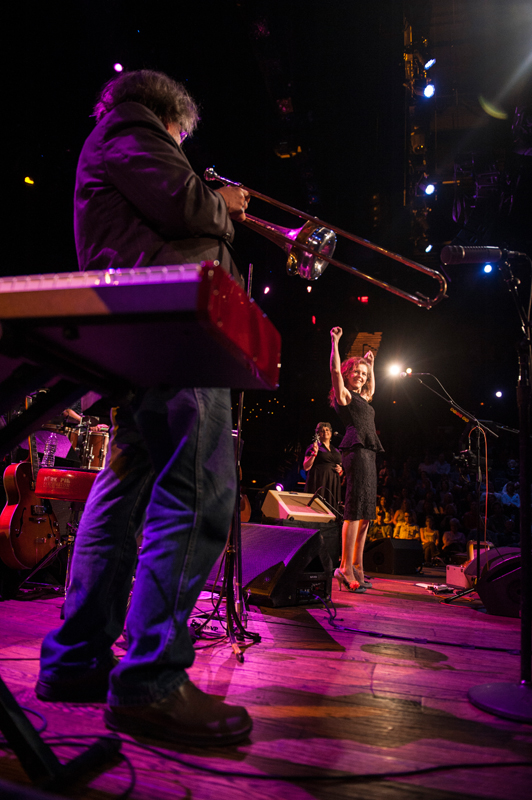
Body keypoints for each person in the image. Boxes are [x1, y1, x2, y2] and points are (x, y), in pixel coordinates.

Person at [36, 70, 252, 746]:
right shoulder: (133, 127)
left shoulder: (115, 136)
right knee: (197, 489)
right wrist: (229, 205)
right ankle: (151, 682)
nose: (182, 144)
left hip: (145, 332)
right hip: (172, 326)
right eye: (181, 136)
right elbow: (187, 207)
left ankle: (77, 662)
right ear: (170, 116)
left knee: (122, 492)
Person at [329, 327, 383, 592]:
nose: (360, 377)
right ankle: (344, 567)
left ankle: (358, 566)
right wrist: (336, 342)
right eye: (357, 372)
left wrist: (371, 366)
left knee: (365, 515)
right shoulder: (346, 397)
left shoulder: (365, 396)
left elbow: (372, 385)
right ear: (348, 376)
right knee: (354, 511)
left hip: (368, 453)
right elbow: (335, 372)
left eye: (363, 375)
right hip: (355, 451)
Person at [303, 422, 343, 510]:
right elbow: (306, 467)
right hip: (319, 481)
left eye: (327, 430)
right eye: (322, 430)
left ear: (331, 433)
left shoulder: (336, 450)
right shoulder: (313, 447)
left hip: (333, 482)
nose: (325, 432)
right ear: (318, 434)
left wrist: (340, 470)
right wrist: (314, 454)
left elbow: (341, 471)